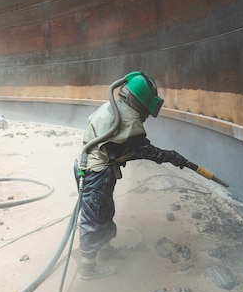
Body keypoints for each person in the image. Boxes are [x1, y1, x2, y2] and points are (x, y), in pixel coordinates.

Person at [74, 71, 187, 280]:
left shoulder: (116, 107)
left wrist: (168, 156)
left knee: (105, 211)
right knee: (95, 217)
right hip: (96, 172)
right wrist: (171, 156)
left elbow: (122, 149)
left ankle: (105, 250)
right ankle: (88, 267)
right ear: (143, 102)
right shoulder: (129, 119)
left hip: (94, 167)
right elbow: (146, 151)